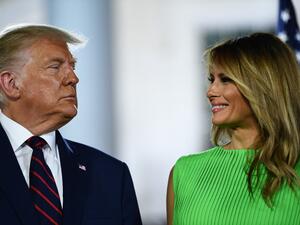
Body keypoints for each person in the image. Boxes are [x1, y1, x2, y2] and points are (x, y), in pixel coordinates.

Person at [0, 24, 142, 225]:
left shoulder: (111, 175)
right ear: (11, 84)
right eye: (55, 67)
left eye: (72, 66)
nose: (73, 78)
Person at [167, 33, 300, 225]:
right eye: (211, 79)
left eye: (226, 79)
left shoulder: (294, 171)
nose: (211, 91)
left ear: (263, 86)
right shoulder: (184, 173)